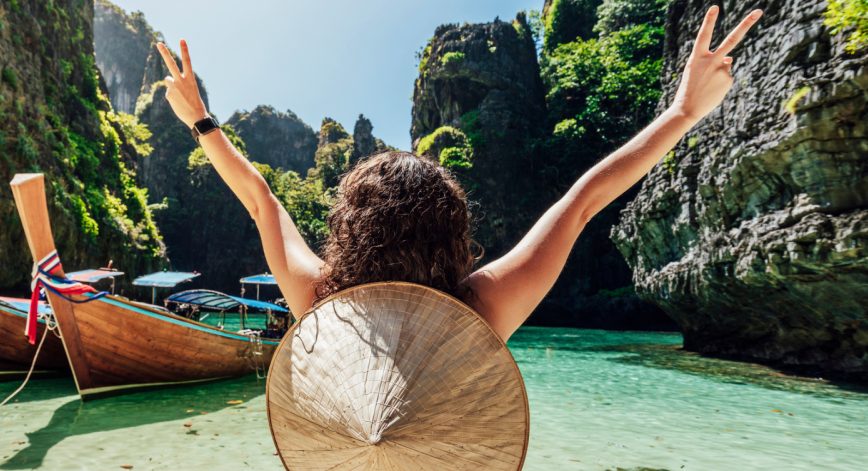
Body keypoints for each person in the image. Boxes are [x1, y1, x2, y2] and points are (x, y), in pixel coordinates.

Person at [157, 6, 762, 341]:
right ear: (451, 233)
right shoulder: (480, 310)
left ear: (350, 230)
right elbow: (583, 201)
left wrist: (201, 121)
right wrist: (683, 112)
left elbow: (261, 200)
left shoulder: (321, 303)